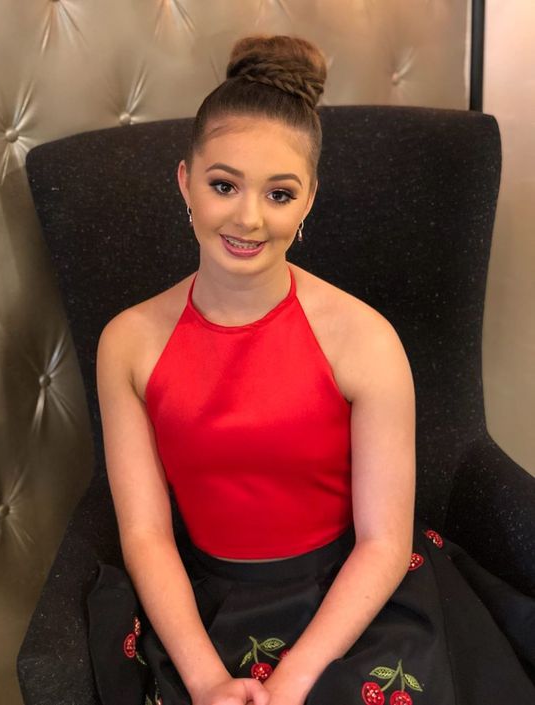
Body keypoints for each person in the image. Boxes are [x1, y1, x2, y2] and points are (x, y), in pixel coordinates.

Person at [87, 35, 535, 705]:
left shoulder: (365, 340)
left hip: (353, 602)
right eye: (223, 185)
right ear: (185, 181)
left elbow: (383, 541)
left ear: (309, 200)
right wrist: (207, 680)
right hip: (201, 611)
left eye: (279, 193)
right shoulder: (127, 342)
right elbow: (145, 534)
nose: (248, 218)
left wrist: (295, 680)